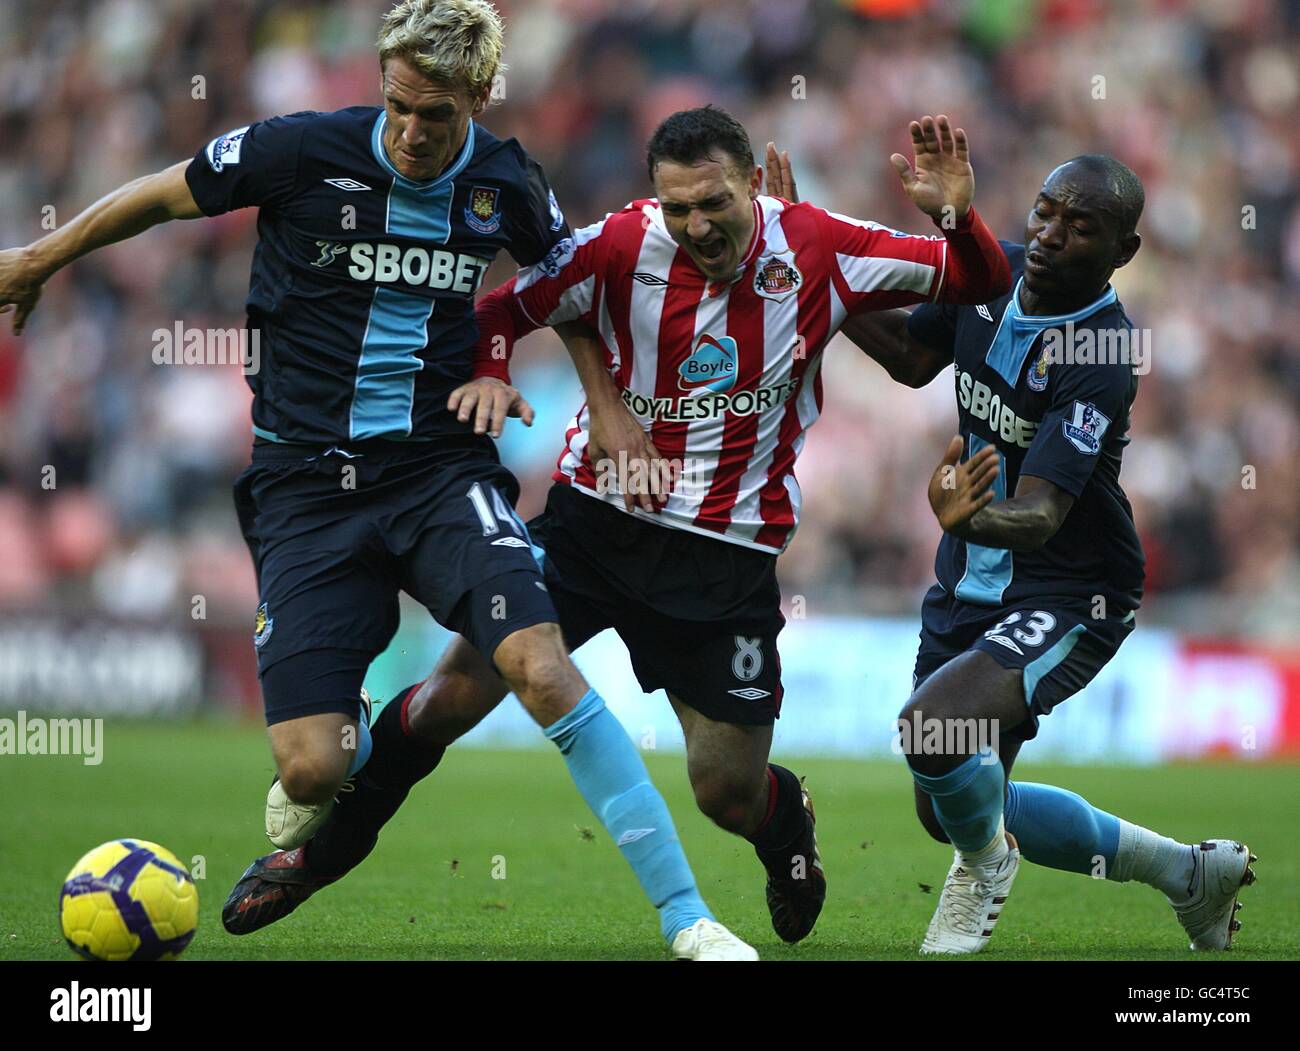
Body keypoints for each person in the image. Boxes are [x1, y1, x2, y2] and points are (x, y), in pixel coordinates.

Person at [0, 0, 755, 961]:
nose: (409, 130)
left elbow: (565, 283)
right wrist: (39, 257)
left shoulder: (504, 178)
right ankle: (343, 737)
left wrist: (582, 397)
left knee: (539, 663)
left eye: (435, 114)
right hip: (304, 485)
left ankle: (687, 917)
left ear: (478, 98)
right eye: (396, 105)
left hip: (436, 470)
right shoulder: (299, 149)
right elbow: (161, 194)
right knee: (314, 771)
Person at [266, 105, 1013, 946]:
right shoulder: (619, 243)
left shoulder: (815, 242)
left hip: (723, 557)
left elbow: (979, 280)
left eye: (715, 203)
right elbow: (499, 314)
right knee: (448, 699)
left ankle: (784, 825)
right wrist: (521, 382)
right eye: (679, 207)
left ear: (751, 189)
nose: (698, 224)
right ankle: (310, 860)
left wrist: (955, 214)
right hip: (592, 526)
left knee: (724, 790)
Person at [766, 150, 1256, 954]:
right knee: (948, 797)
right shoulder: (989, 274)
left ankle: (988, 867)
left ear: (1122, 253)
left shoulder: (1101, 352)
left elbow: (1042, 512)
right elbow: (912, 357)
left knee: (931, 731)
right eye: (1046, 210)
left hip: (1073, 589)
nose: (1053, 233)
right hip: (972, 583)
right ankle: (1187, 874)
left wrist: (971, 516)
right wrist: (818, 275)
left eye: (1082, 225)